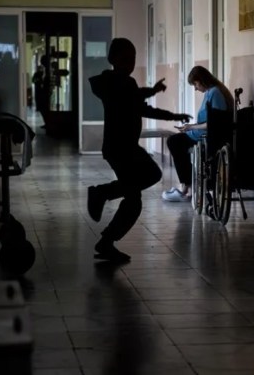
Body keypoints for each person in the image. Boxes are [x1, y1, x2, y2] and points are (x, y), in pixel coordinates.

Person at [87, 38, 192, 262]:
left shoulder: (126, 83)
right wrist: (152, 91)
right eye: (125, 58)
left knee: (151, 176)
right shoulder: (112, 82)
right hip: (119, 148)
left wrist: (172, 116)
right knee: (134, 200)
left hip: (127, 147)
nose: (130, 63)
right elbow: (128, 95)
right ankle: (105, 230)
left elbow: (141, 108)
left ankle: (103, 200)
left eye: (133, 59)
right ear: (112, 59)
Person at [162, 65, 234, 202]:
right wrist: (190, 126)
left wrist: (191, 127)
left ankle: (187, 187)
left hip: (207, 137)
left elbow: (215, 124)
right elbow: (209, 120)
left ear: (202, 80)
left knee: (174, 142)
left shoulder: (215, 93)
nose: (195, 88)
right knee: (174, 141)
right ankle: (186, 186)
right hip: (199, 133)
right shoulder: (210, 92)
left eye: (195, 84)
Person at [32, 55, 50, 127]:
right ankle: (47, 123)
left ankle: (47, 123)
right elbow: (33, 80)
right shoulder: (38, 73)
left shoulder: (47, 71)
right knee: (42, 109)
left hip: (44, 93)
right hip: (40, 92)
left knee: (44, 109)